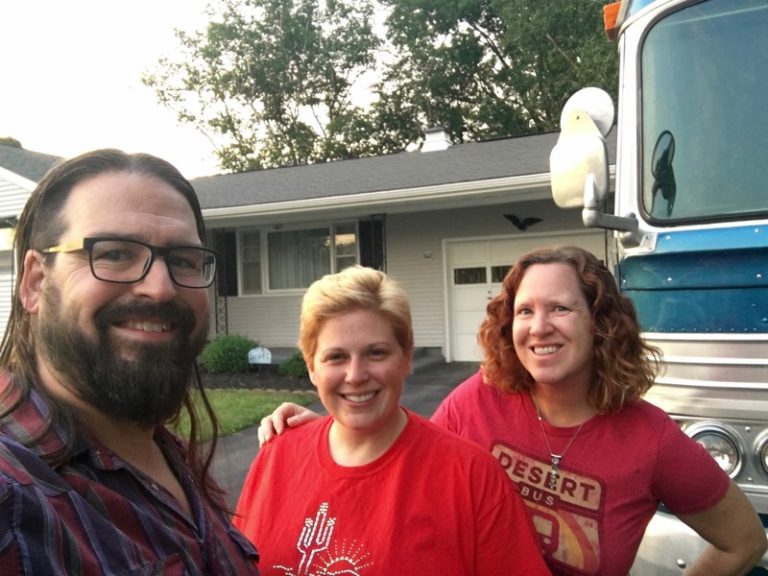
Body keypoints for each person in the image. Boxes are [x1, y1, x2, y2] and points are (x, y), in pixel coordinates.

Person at [259, 246, 767, 575]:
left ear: (601, 322)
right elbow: (410, 465)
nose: (539, 327)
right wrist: (333, 433)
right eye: (525, 311)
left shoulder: (648, 438)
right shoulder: (478, 400)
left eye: (560, 308)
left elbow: (744, 541)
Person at [0, 149, 260, 574]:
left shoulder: (164, 450)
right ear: (35, 282)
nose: (160, 288)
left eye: (183, 260)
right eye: (115, 254)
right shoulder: (12, 500)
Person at [234, 265, 550, 575]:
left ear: (407, 356)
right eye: (336, 357)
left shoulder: (472, 478)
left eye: (376, 353)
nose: (355, 375)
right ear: (311, 367)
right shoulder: (276, 456)